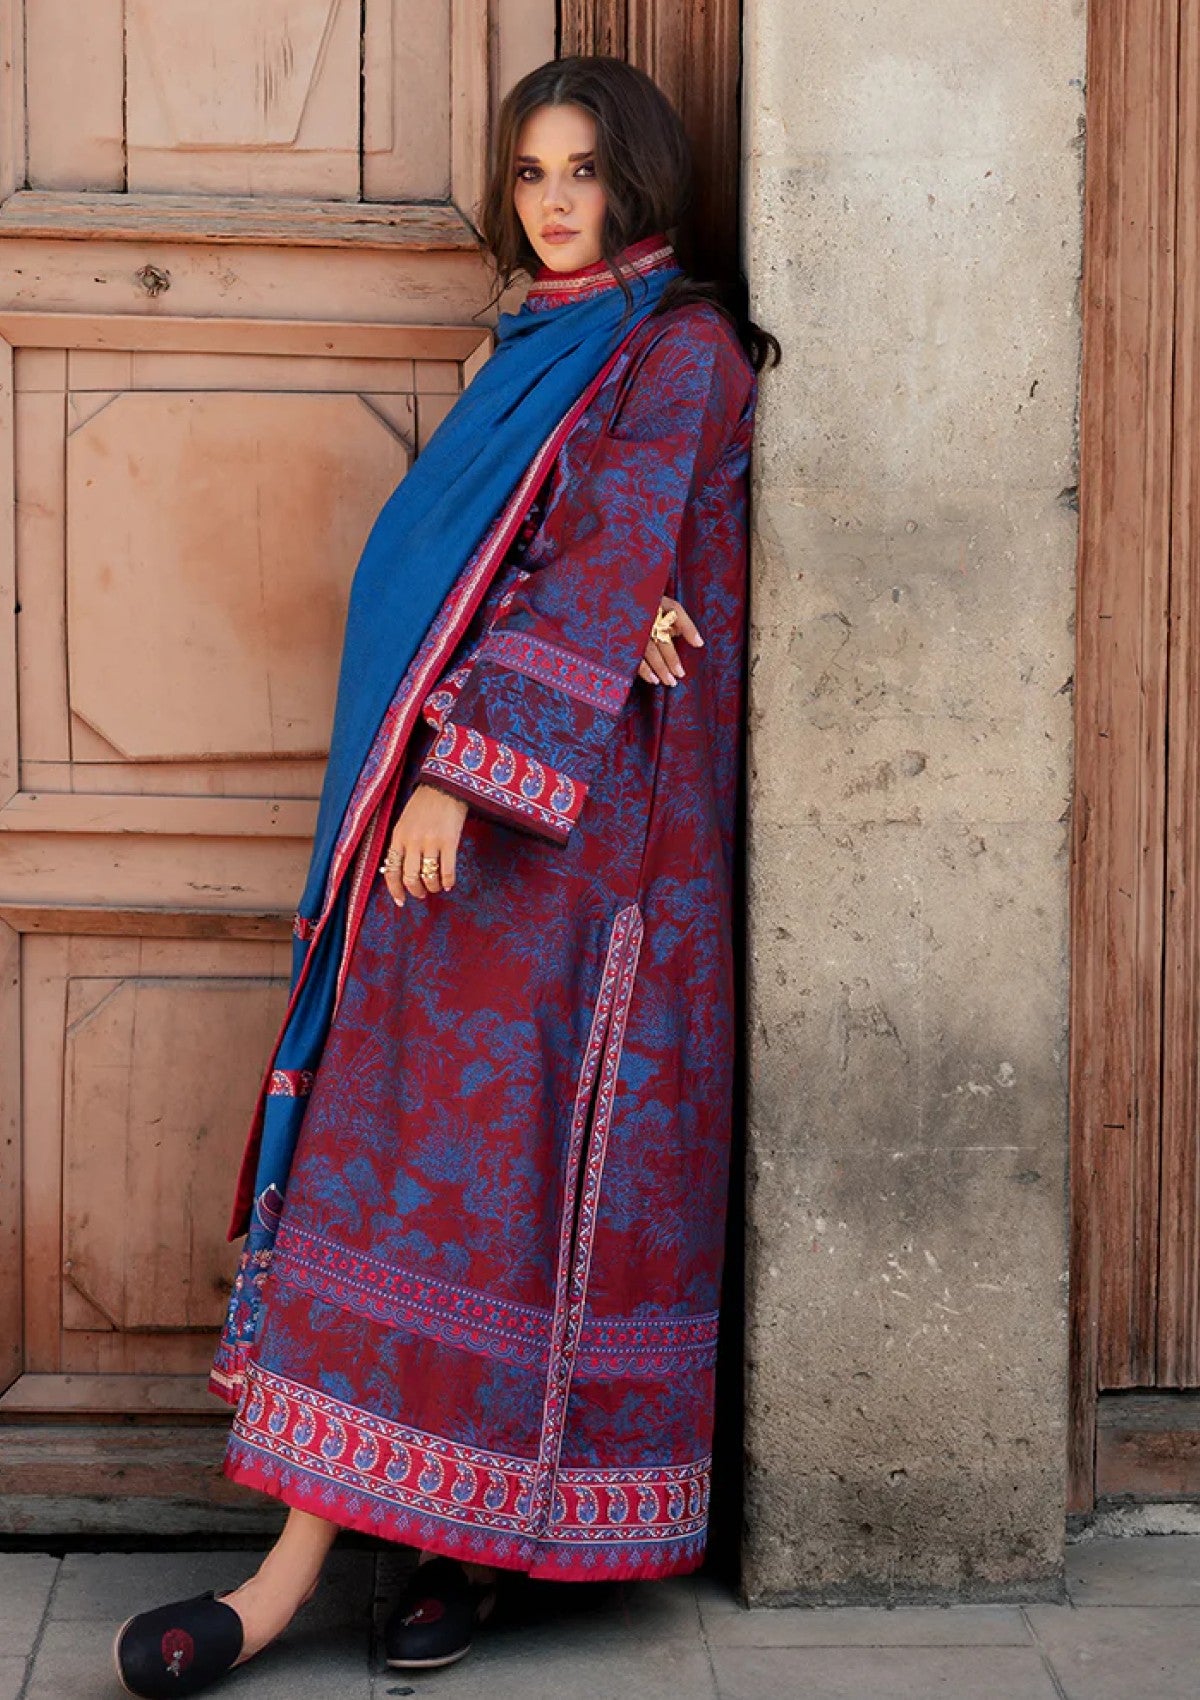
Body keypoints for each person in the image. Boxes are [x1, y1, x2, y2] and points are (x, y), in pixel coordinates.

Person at [112, 52, 778, 1700]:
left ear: (639, 178)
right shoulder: (527, 346)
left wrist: (461, 769)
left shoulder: (679, 353)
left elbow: (605, 561)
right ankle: (320, 1561)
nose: (555, 203)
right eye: (531, 173)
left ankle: (452, 1557)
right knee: (406, 1176)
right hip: (468, 831)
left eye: (584, 171)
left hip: (581, 850)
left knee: (518, 1190)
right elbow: (522, 568)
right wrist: (541, 663)